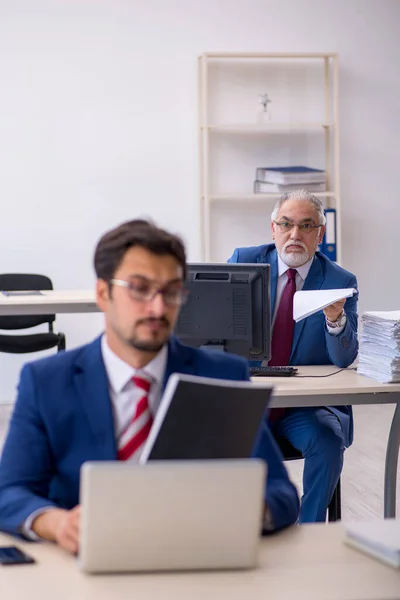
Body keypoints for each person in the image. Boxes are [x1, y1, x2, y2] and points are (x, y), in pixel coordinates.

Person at [0, 219, 299, 553]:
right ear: (103, 293)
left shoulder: (222, 375)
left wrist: (245, 511)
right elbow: (9, 493)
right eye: (139, 288)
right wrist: (58, 524)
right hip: (89, 562)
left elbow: (281, 492)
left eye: (171, 291)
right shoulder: (46, 382)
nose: (158, 308)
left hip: (196, 559)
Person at [228, 190, 358, 523]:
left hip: (305, 406)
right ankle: (239, 528)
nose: (295, 235)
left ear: (320, 234)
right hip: (249, 401)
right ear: (273, 229)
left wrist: (335, 320)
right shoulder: (243, 262)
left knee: (328, 441)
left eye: (306, 225)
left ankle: (308, 532)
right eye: (286, 224)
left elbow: (344, 359)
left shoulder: (339, 281)